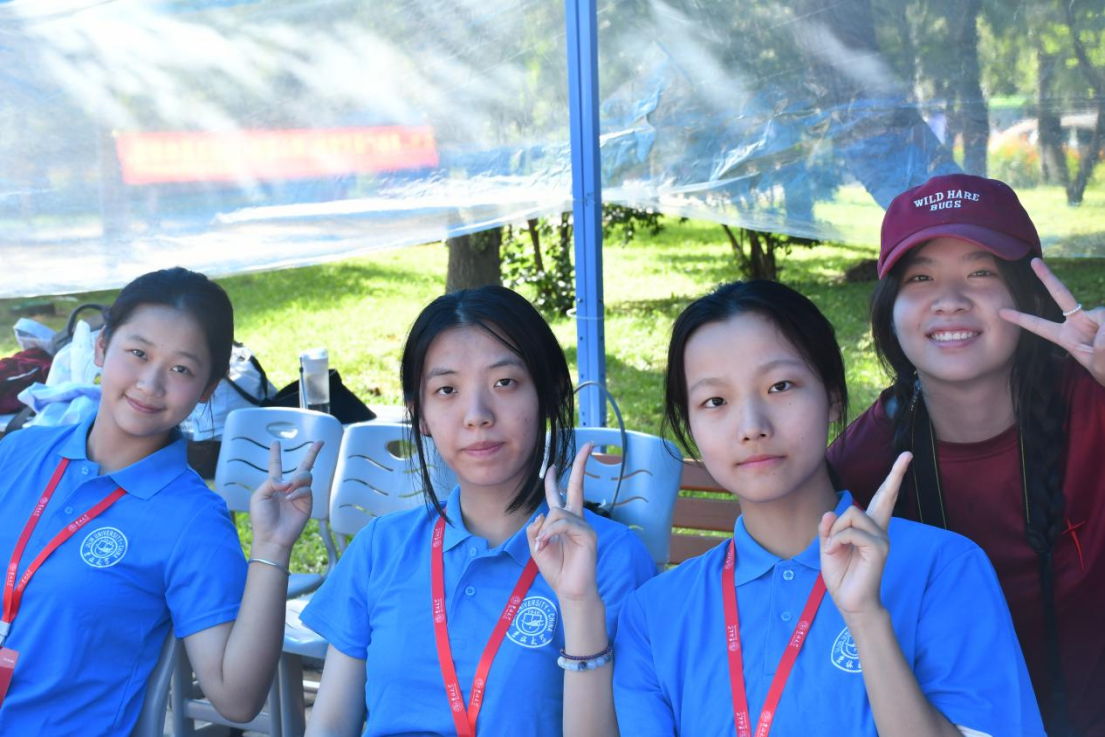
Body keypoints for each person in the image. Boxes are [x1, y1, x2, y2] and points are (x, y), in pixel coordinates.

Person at [614, 279, 1043, 735]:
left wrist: (866, 619)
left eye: (780, 386)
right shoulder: (653, 614)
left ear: (834, 397)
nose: (752, 426)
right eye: (715, 401)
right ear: (690, 425)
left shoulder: (944, 569)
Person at [301, 285, 655, 737]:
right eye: (447, 389)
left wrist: (579, 604)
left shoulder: (612, 558)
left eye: (504, 383)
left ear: (546, 393)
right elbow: (329, 725)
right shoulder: (380, 547)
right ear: (420, 415)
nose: (477, 414)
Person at [828, 174, 1105, 737]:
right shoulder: (862, 462)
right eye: (921, 277)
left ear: (1027, 294)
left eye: (981, 273)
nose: (950, 301)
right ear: (890, 309)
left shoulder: (1093, 400)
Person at [0, 267, 321, 735]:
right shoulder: (17, 453)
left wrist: (271, 549)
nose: (150, 383)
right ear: (101, 347)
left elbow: (236, 698)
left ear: (208, 389)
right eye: (138, 353)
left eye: (181, 369)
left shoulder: (192, 520)